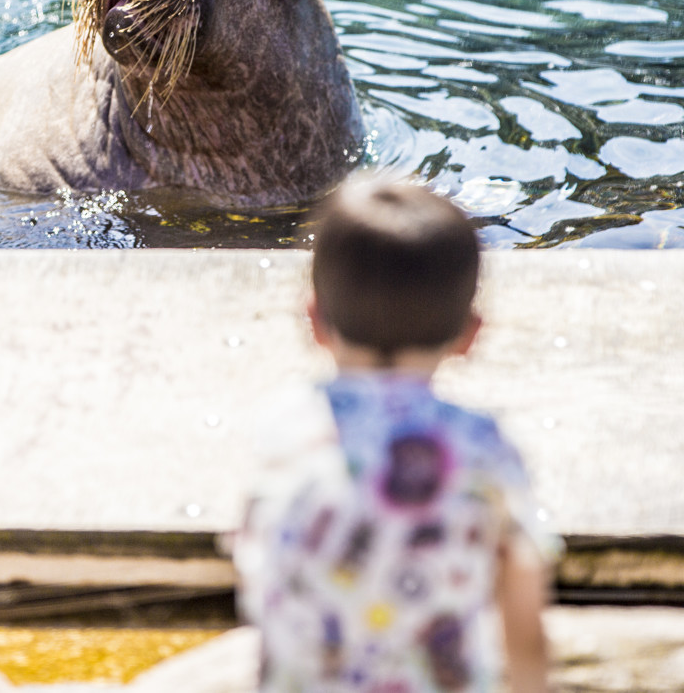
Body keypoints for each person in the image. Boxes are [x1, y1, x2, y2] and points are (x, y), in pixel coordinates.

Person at [233, 175, 555, 693]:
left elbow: (262, 577)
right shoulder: (481, 446)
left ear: (313, 321)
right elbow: (523, 599)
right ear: (471, 335)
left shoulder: (282, 431)